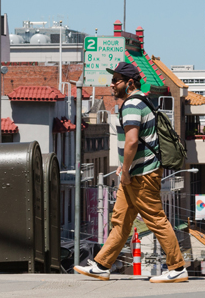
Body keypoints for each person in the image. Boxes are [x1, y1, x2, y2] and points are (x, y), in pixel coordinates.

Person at [74, 61, 188, 283]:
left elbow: (132, 141)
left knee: (156, 219)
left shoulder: (132, 105)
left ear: (130, 83)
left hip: (141, 174)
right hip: (137, 172)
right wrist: (124, 167)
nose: (112, 84)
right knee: (121, 220)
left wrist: (125, 170)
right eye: (113, 80)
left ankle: (177, 267)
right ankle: (101, 265)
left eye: (116, 80)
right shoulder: (142, 101)